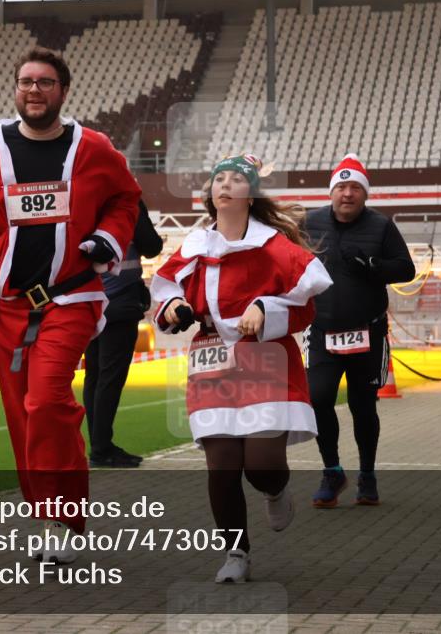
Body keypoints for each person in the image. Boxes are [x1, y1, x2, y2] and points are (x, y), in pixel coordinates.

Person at [0, 48, 140, 561]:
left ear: (63, 90)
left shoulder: (93, 148)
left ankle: (66, 521)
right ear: (15, 89)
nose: (34, 90)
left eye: (45, 82)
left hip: (72, 297)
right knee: (23, 416)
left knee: (46, 401)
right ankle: (46, 517)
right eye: (25, 81)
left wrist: (107, 241)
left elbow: (125, 199)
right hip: (5, 307)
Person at [152, 154, 332, 583]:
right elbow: (164, 290)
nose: (226, 185)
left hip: (264, 358)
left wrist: (265, 307)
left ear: (250, 194)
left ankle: (275, 489)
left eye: (236, 180)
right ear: (210, 194)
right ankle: (236, 554)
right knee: (222, 466)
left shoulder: (273, 245)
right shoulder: (194, 246)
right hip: (211, 358)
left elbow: (307, 298)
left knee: (261, 464)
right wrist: (174, 306)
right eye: (219, 179)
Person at [302, 154, 415, 509]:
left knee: (362, 406)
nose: (347, 194)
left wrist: (372, 266)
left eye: (354, 188)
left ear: (365, 195)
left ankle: (367, 474)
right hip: (321, 332)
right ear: (331, 192)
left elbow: (406, 269)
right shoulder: (309, 222)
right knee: (318, 400)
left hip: (368, 332)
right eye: (341, 187)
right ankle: (332, 470)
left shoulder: (380, 226)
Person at [83, 199, 163, 468]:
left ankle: (98, 446)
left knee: (94, 375)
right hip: (119, 301)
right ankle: (102, 448)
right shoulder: (126, 202)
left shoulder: (81, 198)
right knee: (109, 378)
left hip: (87, 302)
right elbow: (152, 246)